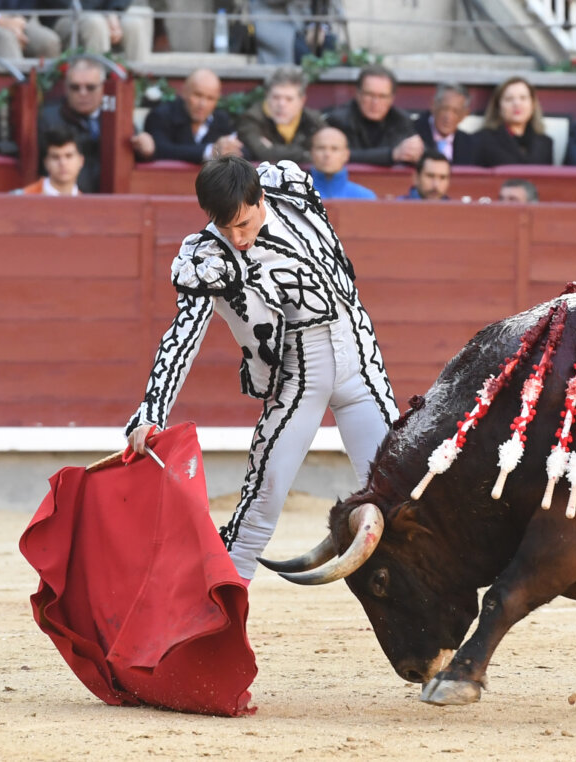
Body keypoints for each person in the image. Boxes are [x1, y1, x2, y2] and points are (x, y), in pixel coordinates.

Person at [125, 155, 398, 583]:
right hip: (300, 373)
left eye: (245, 224)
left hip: (361, 354)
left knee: (398, 493)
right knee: (262, 500)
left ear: (261, 198)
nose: (237, 238)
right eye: (225, 227)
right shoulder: (207, 256)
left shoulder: (292, 189)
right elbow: (183, 338)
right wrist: (152, 410)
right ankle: (216, 619)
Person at [132, 68, 243, 163]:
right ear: (184, 91)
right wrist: (210, 151)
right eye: (198, 95)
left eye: (210, 98)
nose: (202, 104)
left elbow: (244, 151)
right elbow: (160, 149)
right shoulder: (161, 115)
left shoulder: (222, 119)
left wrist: (233, 149)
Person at [324, 63, 422, 167]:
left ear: (392, 99)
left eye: (382, 96)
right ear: (358, 94)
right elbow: (343, 155)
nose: (375, 102)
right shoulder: (338, 120)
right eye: (369, 95)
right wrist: (392, 154)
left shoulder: (403, 121)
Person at [37, 56, 105, 193]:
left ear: (102, 88)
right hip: (61, 199)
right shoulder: (48, 118)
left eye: (90, 87)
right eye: (75, 87)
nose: (83, 93)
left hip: (110, 199)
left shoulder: (115, 117)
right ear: (66, 89)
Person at [236, 64, 326, 165]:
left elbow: (325, 153)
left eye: (289, 99)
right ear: (266, 96)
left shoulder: (313, 120)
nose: (281, 104)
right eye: (276, 97)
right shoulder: (251, 119)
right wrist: (304, 153)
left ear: (302, 101)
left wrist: (273, 149)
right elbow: (263, 154)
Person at [472, 76, 553, 167]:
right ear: (498, 106)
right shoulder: (481, 140)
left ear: (533, 104)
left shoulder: (545, 142)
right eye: (509, 99)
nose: (517, 104)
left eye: (523, 98)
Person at [46, 0, 152, 61]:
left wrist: (113, 11)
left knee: (134, 25)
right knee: (96, 23)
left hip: (102, 11)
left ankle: (138, 86)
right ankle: (97, 85)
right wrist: (104, 12)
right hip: (64, 15)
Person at [412, 81, 474, 165]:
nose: (448, 117)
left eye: (455, 111)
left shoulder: (470, 144)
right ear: (433, 105)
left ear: (464, 115)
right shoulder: (412, 133)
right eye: (444, 109)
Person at [12, 125, 83, 195]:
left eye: (68, 156)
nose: (62, 163)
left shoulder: (86, 204)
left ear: (81, 161)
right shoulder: (22, 198)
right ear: (45, 162)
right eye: (55, 157)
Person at [309, 126, 375, 200]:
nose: (327, 154)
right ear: (312, 153)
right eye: (321, 148)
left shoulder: (364, 197)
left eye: (334, 149)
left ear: (346, 155)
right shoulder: (297, 196)